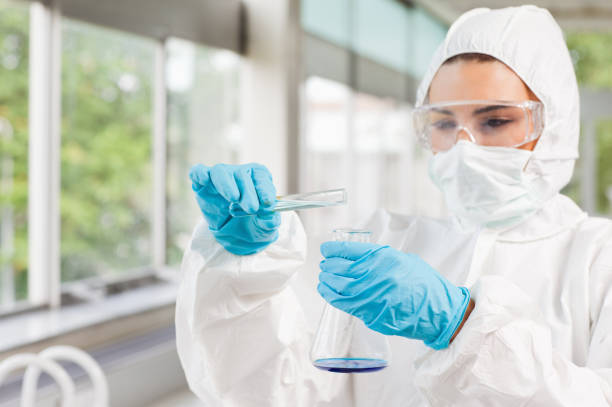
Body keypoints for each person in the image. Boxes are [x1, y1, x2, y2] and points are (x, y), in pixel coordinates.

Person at [175, 5, 612, 406]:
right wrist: (246, 270)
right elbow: (277, 392)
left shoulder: (598, 258)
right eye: (442, 122)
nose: (464, 147)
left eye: (496, 120)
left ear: (554, 124)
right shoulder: (385, 243)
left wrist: (462, 325)